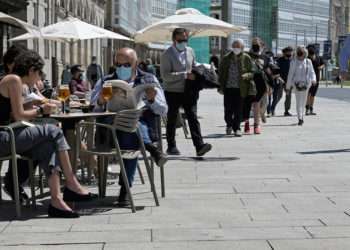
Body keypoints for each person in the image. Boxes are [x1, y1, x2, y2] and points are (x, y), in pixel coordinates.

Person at [0, 50, 96, 218]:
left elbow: (18, 107)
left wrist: (38, 102)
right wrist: (41, 109)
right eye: (38, 74)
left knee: (48, 145)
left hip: (10, 135)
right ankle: (72, 183)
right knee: (54, 129)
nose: (38, 79)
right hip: (4, 136)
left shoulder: (18, 82)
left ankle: (57, 201)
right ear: (31, 70)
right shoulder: (13, 79)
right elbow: (19, 115)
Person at [91, 47, 168, 205]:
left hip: (136, 127)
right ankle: (151, 150)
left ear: (136, 63)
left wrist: (152, 100)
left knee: (132, 126)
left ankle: (125, 189)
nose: (122, 68)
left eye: (126, 65)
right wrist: (100, 101)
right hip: (110, 131)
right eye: (118, 65)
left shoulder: (149, 80)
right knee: (132, 129)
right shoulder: (105, 81)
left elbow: (163, 110)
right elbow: (92, 108)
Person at [160, 28, 212, 156]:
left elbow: (193, 66)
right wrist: (184, 75)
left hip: (189, 90)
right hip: (172, 91)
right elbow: (165, 76)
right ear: (174, 40)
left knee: (193, 117)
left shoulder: (190, 51)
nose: (183, 42)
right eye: (180, 40)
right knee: (172, 117)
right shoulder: (167, 55)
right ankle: (171, 145)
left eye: (185, 39)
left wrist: (201, 70)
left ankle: (199, 145)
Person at [219, 39, 253, 137]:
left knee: (238, 109)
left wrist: (246, 75)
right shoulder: (226, 58)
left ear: (242, 48)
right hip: (228, 87)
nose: (236, 48)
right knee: (228, 108)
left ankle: (237, 128)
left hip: (240, 88)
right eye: (234, 46)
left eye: (238, 46)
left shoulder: (246, 58)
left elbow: (252, 72)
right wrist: (220, 86)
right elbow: (221, 73)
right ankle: (229, 125)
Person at [286, 46, 316, 126]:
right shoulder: (293, 62)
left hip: (306, 85)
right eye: (298, 53)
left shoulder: (308, 61)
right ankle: (300, 118)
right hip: (296, 85)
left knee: (303, 102)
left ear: (304, 53)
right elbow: (290, 75)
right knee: (298, 102)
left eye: (301, 53)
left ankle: (301, 115)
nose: (300, 55)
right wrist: (288, 87)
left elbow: (312, 72)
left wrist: (313, 80)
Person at [246, 37, 270, 134]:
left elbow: (268, 71)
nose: (255, 46)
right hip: (250, 81)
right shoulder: (247, 56)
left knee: (261, 103)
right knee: (249, 104)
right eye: (253, 44)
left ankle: (258, 121)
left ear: (261, 45)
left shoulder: (265, 57)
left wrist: (270, 85)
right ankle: (249, 124)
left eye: (257, 44)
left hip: (261, 82)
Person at [305, 45, 325, 115]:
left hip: (317, 79)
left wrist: (321, 67)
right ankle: (306, 108)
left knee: (313, 95)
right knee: (308, 94)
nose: (312, 57)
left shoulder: (319, 58)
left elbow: (323, 64)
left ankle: (311, 108)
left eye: (312, 55)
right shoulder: (307, 59)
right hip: (308, 79)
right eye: (310, 55)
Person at [277, 46, 294, 116]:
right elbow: (276, 70)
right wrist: (279, 78)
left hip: (289, 82)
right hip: (281, 80)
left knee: (288, 96)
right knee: (279, 96)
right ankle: (271, 108)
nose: (290, 53)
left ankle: (286, 111)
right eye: (288, 52)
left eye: (291, 52)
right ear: (284, 53)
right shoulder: (279, 60)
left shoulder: (292, 61)